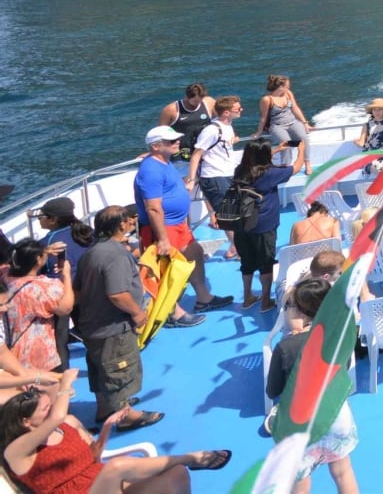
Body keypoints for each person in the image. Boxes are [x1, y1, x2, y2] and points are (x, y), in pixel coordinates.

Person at [1, 369, 231, 493]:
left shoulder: (68, 424)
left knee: (177, 475)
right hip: (97, 486)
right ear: (25, 421)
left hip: (105, 485)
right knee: (117, 466)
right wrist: (64, 386)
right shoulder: (17, 452)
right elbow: (57, 416)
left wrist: (108, 426)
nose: (51, 410)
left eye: (49, 406)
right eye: (45, 409)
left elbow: (94, 457)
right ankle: (191, 457)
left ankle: (184, 462)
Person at [265, 279, 360, 493]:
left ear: (300, 314)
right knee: (343, 471)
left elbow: (273, 391)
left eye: (287, 307)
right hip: (337, 417)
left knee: (300, 481)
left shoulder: (285, 348)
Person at [72, 206, 163, 430]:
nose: (132, 221)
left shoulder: (92, 252)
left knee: (99, 368)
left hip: (92, 325)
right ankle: (126, 416)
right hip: (113, 326)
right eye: (128, 219)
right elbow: (117, 293)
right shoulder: (115, 255)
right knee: (119, 368)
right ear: (121, 225)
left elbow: (80, 290)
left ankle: (105, 408)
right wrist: (137, 312)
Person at [134, 126, 231, 319]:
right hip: (164, 228)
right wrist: (162, 239)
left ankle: (203, 298)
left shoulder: (163, 162)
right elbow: (153, 208)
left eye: (177, 139)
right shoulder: (151, 170)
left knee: (195, 252)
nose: (177, 142)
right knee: (166, 269)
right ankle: (172, 313)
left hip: (178, 225)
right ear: (155, 146)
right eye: (171, 141)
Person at [228, 140, 296, 311]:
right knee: (266, 262)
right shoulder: (269, 173)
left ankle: (247, 298)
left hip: (242, 224)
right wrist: (301, 149)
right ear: (265, 156)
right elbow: (296, 167)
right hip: (263, 225)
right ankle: (265, 301)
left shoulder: (240, 171)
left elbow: (256, 160)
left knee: (247, 261)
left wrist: (278, 148)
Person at [35, 198, 92, 371]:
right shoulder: (87, 233)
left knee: (59, 341)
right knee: (91, 336)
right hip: (86, 292)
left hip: (62, 297)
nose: (39, 219)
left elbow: (37, 272)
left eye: (41, 216)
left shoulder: (48, 243)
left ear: (53, 220)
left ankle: (63, 379)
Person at [184, 95, 242, 258]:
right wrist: (191, 179)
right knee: (227, 216)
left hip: (227, 174)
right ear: (226, 112)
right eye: (238, 108)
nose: (241, 110)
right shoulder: (211, 130)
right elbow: (196, 155)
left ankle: (235, 248)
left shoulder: (228, 126)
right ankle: (239, 250)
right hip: (214, 177)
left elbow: (223, 145)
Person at [3, 240, 73, 372]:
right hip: (39, 356)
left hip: (10, 355)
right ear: (39, 259)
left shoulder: (5, 277)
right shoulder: (43, 287)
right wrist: (66, 276)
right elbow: (66, 307)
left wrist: (42, 251)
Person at [255, 75, 313, 174]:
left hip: (292, 122)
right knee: (285, 143)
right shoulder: (267, 99)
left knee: (304, 138)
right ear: (280, 86)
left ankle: (307, 163)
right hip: (277, 125)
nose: (288, 87)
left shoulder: (288, 94)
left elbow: (295, 108)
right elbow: (263, 117)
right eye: (287, 86)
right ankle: (286, 166)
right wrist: (259, 132)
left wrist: (305, 123)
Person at [282, 250, 344, 333]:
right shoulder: (295, 297)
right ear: (326, 277)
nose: (342, 274)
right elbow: (297, 332)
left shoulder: (316, 278)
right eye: (340, 273)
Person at [157, 83, 215, 161]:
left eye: (201, 99)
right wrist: (156, 152)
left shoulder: (209, 102)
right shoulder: (171, 109)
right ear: (187, 97)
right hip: (181, 152)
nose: (198, 103)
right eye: (195, 101)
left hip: (204, 148)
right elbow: (160, 133)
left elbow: (222, 119)